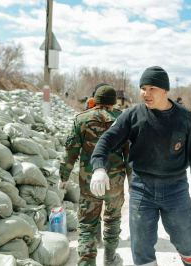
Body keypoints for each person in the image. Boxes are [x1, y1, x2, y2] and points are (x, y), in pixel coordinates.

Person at [91, 66, 191, 266]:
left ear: (165, 90)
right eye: (142, 88)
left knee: (187, 242)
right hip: (142, 189)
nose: (145, 93)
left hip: (175, 189)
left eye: (151, 88)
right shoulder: (134, 114)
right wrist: (99, 167)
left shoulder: (183, 116)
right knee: (141, 247)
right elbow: (107, 140)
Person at [59, 85, 132, 266]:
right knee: (113, 219)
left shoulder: (81, 120)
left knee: (86, 224)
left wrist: (64, 178)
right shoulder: (123, 121)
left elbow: (70, 153)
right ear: (113, 103)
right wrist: (133, 183)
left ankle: (86, 262)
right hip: (115, 182)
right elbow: (131, 156)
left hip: (89, 181)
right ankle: (110, 258)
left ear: (95, 100)